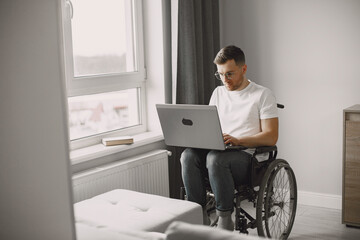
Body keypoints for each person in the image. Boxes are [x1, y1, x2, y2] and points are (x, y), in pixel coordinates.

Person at [180, 45, 279, 231]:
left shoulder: (263, 95)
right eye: (220, 74)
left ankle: (225, 219)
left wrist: (238, 140)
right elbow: (209, 126)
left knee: (215, 159)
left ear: (244, 69)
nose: (225, 80)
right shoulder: (218, 93)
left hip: (248, 157)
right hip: (218, 151)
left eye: (229, 74)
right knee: (188, 155)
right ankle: (198, 213)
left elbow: (271, 136)